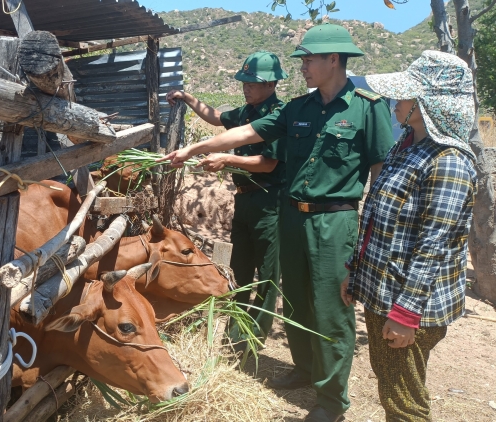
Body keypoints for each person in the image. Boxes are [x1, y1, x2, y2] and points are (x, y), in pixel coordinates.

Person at [159, 23, 396, 422]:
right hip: (291, 216)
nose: (302, 66)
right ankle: (305, 369)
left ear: (333, 60)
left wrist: (371, 241)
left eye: (308, 59)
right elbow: (244, 132)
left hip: (334, 222)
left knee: (331, 311)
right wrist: (193, 147)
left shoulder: (367, 108)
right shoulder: (298, 109)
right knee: (300, 303)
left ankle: (332, 402)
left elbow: (380, 175)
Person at [341, 51, 477, 421]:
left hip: (408, 304)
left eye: (404, 96)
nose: (395, 103)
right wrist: (356, 272)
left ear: (426, 104)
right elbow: (377, 219)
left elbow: (434, 245)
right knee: (392, 390)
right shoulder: (408, 145)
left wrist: (405, 314)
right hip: (384, 292)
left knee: (404, 403)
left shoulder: (447, 161)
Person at [166, 51, 288, 348]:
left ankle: (252, 343)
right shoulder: (246, 112)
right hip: (245, 201)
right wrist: (186, 97)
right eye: (244, 81)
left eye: (253, 82)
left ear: (271, 84)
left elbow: (268, 163)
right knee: (241, 270)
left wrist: (228, 160)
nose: (246, 87)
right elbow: (215, 116)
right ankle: (233, 336)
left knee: (267, 277)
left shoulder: (279, 116)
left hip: (270, 203)